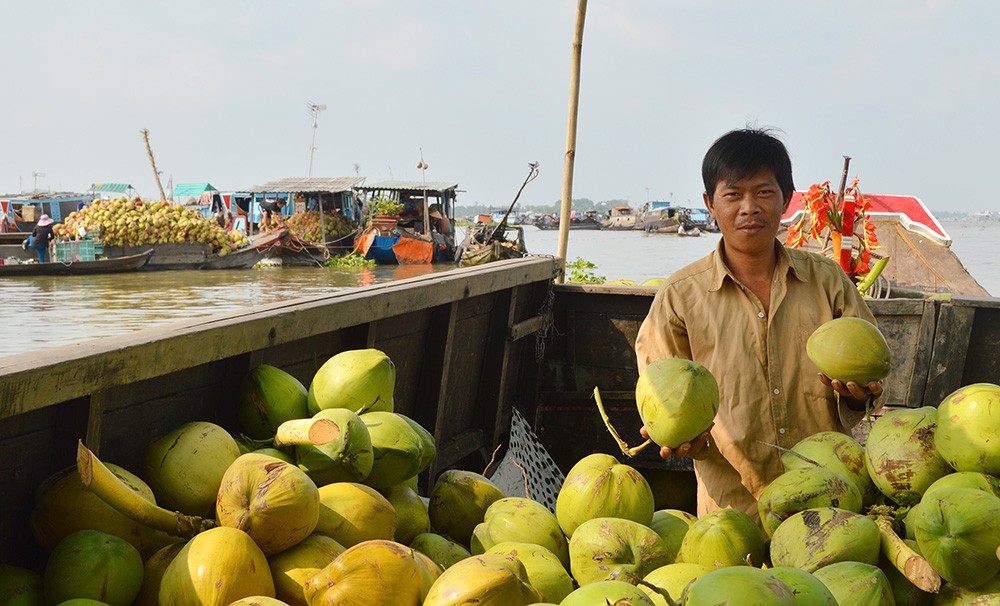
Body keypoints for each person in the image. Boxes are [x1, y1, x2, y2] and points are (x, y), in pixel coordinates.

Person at [634, 128, 882, 521]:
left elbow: (868, 386)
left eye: (764, 192)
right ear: (709, 204)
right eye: (733, 194)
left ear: (785, 198)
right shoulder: (680, 296)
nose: (749, 207)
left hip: (827, 503)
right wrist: (682, 436)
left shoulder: (828, 281)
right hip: (732, 512)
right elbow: (660, 391)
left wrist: (855, 396)